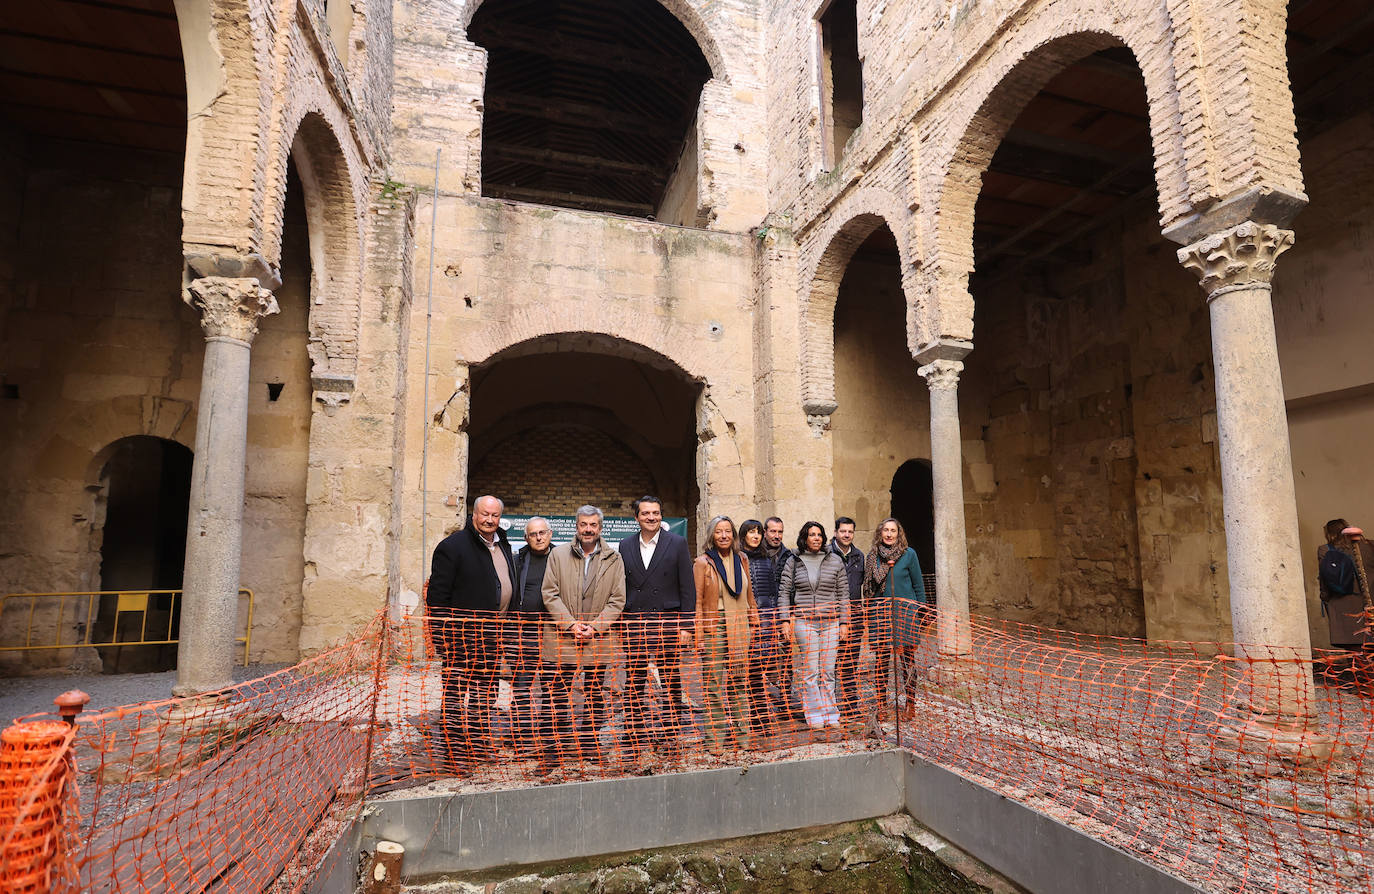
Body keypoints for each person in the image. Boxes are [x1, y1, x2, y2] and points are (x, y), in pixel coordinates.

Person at [427, 494, 515, 771]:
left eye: (495, 515)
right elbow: (437, 598)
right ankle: (454, 754)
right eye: (484, 514)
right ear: (473, 514)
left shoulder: (503, 546)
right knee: (455, 697)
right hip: (460, 641)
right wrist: (442, 640)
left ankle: (477, 746)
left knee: (485, 695)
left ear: (500, 517)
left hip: (492, 639)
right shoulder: (452, 547)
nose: (489, 520)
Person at [541, 505, 626, 765]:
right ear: (576, 526)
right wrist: (570, 624)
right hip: (562, 638)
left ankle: (589, 743)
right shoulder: (557, 555)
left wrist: (596, 627)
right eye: (583, 524)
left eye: (593, 525)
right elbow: (549, 593)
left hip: (597, 638)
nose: (588, 529)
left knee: (594, 693)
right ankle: (554, 749)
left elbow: (617, 599)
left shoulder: (614, 558)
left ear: (600, 528)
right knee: (555, 694)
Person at [617, 495, 696, 760]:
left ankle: (672, 728)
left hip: (668, 622)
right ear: (636, 518)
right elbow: (622, 586)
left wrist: (687, 626)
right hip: (636, 623)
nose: (651, 517)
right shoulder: (625, 545)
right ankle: (633, 729)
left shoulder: (677, 543)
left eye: (656, 513)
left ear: (661, 516)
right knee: (634, 680)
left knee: (671, 679)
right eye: (646, 513)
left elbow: (687, 587)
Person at [694, 515, 760, 755]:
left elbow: (749, 592)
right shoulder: (703, 562)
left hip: (739, 624)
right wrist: (699, 635)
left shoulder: (742, 559)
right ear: (712, 535)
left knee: (739, 682)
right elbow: (698, 602)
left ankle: (743, 739)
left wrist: (754, 618)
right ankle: (715, 740)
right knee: (713, 684)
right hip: (715, 626)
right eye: (719, 531)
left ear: (733, 535)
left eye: (728, 531)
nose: (723, 535)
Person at [778, 521, 850, 733]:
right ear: (805, 538)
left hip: (830, 623)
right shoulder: (794, 560)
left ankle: (831, 713)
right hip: (804, 622)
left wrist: (844, 622)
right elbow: (784, 591)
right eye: (812, 534)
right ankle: (815, 714)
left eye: (819, 534)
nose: (816, 538)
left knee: (827, 671)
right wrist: (784, 619)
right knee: (810, 671)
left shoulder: (835, 560)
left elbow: (843, 594)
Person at [863, 517, 929, 715]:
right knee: (881, 660)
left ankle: (910, 702)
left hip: (905, 613)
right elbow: (869, 588)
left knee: (907, 659)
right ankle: (881, 703)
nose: (889, 534)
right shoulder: (873, 556)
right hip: (880, 612)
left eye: (893, 530)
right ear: (880, 533)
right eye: (886, 530)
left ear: (899, 533)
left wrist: (922, 610)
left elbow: (918, 584)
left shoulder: (909, 555)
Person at [508, 516, 553, 765]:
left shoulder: (561, 559)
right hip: (523, 633)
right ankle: (522, 737)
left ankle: (548, 736)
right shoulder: (517, 561)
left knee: (551, 687)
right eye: (533, 534)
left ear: (550, 534)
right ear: (526, 538)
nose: (538, 537)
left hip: (553, 633)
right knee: (522, 687)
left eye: (542, 532)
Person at [740, 519, 784, 742]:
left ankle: (760, 717)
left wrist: (774, 618)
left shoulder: (768, 558)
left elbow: (774, 591)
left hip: (766, 620)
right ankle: (748, 718)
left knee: (759, 671)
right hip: (747, 620)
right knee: (745, 672)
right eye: (751, 533)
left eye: (758, 533)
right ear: (744, 535)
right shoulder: (738, 558)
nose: (755, 537)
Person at [762, 516, 802, 720]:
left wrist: (791, 612)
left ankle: (785, 699)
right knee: (761, 658)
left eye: (780, 532)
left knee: (786, 658)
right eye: (773, 531)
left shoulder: (790, 555)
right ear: (765, 532)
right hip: (762, 613)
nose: (776, 536)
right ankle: (761, 704)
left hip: (783, 613)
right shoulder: (756, 553)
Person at [830, 517, 867, 726]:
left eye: (850, 532)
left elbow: (861, 585)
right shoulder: (827, 554)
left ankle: (851, 706)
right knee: (829, 663)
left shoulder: (858, 556)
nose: (846, 535)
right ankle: (830, 705)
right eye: (843, 531)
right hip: (831, 617)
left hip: (854, 617)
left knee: (851, 662)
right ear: (835, 532)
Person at [1317, 519, 1374, 654]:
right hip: (1370, 601)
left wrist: (1324, 598)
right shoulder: (1370, 546)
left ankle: (1361, 672)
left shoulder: (1325, 549)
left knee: (1355, 649)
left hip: (1342, 603)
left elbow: (1324, 579)